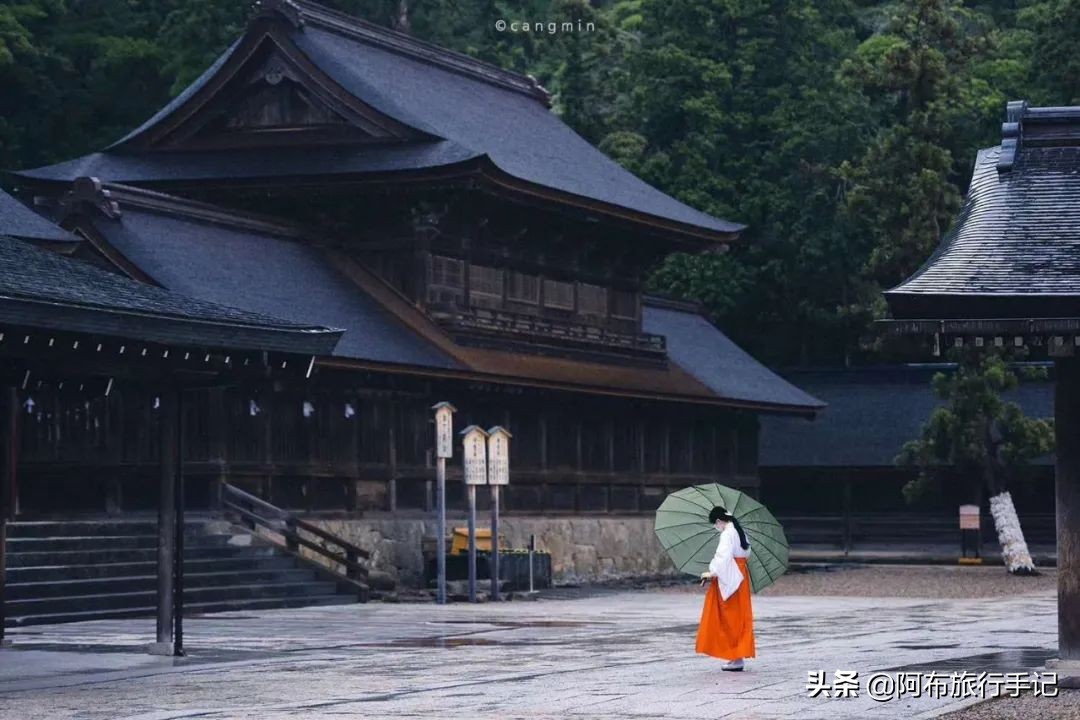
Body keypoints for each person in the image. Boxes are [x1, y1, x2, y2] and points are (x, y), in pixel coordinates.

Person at [695, 505, 755, 671]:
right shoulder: (738, 531)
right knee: (738, 616)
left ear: (720, 521)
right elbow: (746, 553)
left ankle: (735, 657)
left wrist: (712, 573)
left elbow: (722, 557)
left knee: (728, 617)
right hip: (740, 575)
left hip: (731, 576)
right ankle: (737, 655)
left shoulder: (727, 534)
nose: (717, 527)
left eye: (716, 524)